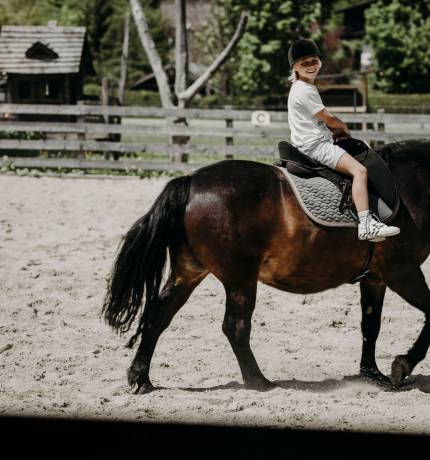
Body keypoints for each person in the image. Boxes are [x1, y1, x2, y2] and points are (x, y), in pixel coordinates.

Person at [286, 38, 400, 242]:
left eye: (315, 61)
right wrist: (342, 128)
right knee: (359, 171)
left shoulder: (301, 86)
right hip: (316, 146)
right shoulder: (304, 89)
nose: (311, 66)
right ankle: (366, 224)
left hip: (313, 142)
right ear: (295, 66)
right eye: (305, 63)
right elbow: (329, 119)